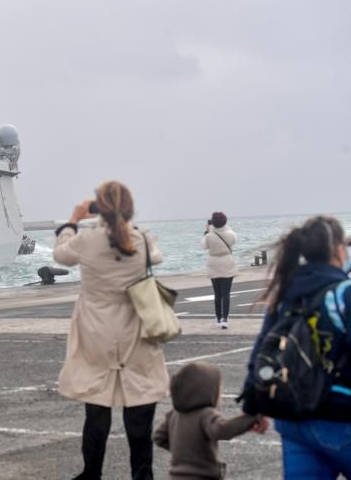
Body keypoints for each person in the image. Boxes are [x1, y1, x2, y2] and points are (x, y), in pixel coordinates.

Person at [54, 181, 169, 480]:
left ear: (98, 208)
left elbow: (60, 255)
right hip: (135, 328)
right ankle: (142, 474)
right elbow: (155, 257)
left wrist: (73, 220)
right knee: (140, 407)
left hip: (96, 330)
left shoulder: (87, 241)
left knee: (97, 406)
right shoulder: (141, 239)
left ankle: (91, 473)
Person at [239, 216, 351, 478]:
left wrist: (252, 404)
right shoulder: (344, 294)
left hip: (293, 421)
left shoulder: (286, 293)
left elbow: (263, 348)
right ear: (337, 250)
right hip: (341, 417)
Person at [153, 362, 263, 479]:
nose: (220, 396)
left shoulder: (174, 414)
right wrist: (250, 419)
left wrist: (183, 453)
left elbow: (158, 437)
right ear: (205, 392)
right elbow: (221, 429)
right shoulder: (205, 414)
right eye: (218, 390)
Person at [201, 212, 238, 329]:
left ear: (213, 223)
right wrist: (225, 226)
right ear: (225, 222)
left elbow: (203, 246)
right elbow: (234, 239)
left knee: (217, 293)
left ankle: (217, 318)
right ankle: (225, 319)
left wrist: (207, 230)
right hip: (227, 263)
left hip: (214, 264)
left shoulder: (209, 236)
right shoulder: (230, 234)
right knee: (226, 293)